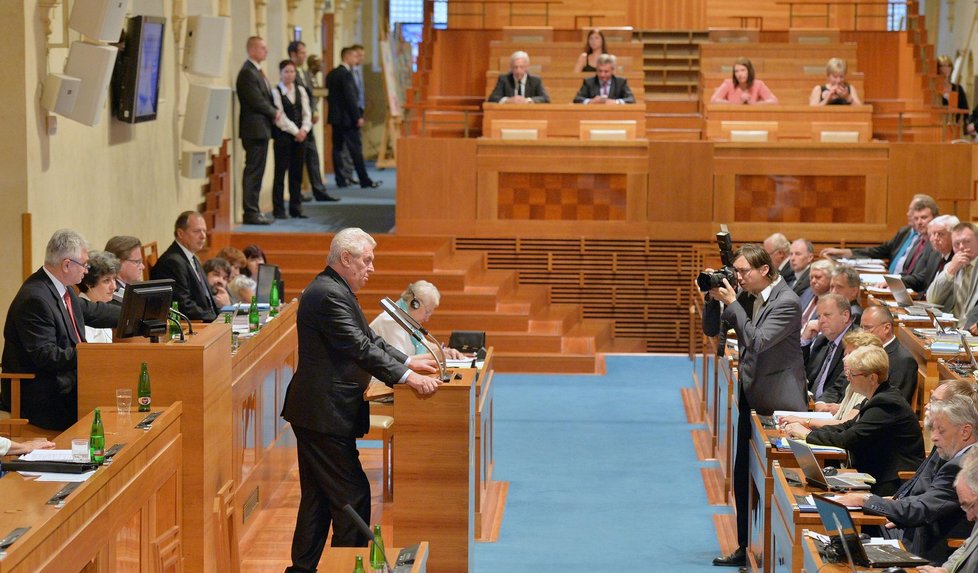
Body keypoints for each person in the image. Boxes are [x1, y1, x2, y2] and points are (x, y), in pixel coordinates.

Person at [281, 228, 441, 572]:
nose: (371, 268)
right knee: (353, 497)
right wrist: (408, 377)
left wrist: (408, 361)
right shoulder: (328, 294)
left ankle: (301, 569)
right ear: (345, 259)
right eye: (366, 261)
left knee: (319, 500)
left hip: (321, 411)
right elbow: (360, 347)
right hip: (323, 411)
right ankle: (349, 567)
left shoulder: (335, 290)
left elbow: (367, 338)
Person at [703, 243, 807, 567]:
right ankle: (745, 545)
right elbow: (712, 331)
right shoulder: (754, 293)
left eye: (743, 271)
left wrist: (733, 302)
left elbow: (758, 341)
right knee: (743, 475)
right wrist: (713, 300)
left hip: (777, 402)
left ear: (764, 270)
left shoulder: (786, 301)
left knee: (774, 484)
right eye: (736, 271)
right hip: (753, 396)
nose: (739, 277)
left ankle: (778, 555)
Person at [834, 391, 977, 564]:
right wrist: (886, 503)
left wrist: (867, 500)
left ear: (965, 431)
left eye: (941, 430)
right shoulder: (956, 455)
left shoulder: (963, 465)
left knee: (846, 542)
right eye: (933, 429)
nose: (933, 437)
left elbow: (923, 508)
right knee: (847, 537)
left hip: (924, 547)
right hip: (912, 530)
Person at [1, 229, 120, 430]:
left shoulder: (61, 288)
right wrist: (92, 355)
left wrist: (136, 314)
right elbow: (47, 356)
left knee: (115, 387)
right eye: (85, 265)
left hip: (65, 382)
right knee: (108, 400)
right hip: (42, 393)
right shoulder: (35, 299)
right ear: (67, 265)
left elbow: (93, 311)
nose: (86, 271)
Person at [785, 345, 924, 496]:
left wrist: (806, 434)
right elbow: (847, 427)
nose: (848, 377)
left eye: (852, 373)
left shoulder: (886, 404)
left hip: (892, 484)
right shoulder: (877, 397)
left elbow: (848, 438)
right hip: (875, 474)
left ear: (872, 378)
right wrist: (808, 430)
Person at [780, 329, 882, 430]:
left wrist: (805, 422)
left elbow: (845, 424)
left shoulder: (868, 390)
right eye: (845, 354)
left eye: (850, 354)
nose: (844, 359)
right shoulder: (852, 384)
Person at [822, 194, 939, 274]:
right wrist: (845, 252)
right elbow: (880, 250)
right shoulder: (905, 232)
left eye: (913, 211)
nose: (909, 214)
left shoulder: (931, 240)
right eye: (913, 212)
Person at [287, 41, 339, 203]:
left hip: (308, 122)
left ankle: (319, 190)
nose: (304, 55)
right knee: (297, 160)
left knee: (313, 156)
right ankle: (297, 193)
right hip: (296, 124)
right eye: (302, 52)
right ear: (293, 54)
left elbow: (310, 94)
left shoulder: (305, 73)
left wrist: (314, 111)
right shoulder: (289, 72)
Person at [235, 36, 279, 225]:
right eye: (262, 47)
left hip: (261, 129)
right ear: (252, 50)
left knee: (258, 171)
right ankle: (250, 212)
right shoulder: (247, 72)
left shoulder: (257, 71)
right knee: (253, 170)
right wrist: (274, 112)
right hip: (254, 129)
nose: (266, 51)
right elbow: (256, 100)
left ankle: (254, 209)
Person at [327, 47, 381, 190]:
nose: (355, 59)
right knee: (356, 149)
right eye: (353, 56)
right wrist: (357, 117)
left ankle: (340, 179)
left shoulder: (331, 74)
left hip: (335, 117)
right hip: (348, 119)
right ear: (346, 57)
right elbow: (351, 98)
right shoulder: (346, 75)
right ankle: (364, 179)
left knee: (337, 148)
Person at [150, 211, 219, 322]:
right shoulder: (172, 262)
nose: (203, 236)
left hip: (206, 320)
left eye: (204, 231)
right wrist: (215, 320)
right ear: (180, 233)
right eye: (197, 231)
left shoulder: (191, 256)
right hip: (194, 325)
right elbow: (183, 305)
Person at [369, 281, 464, 359]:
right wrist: (434, 356)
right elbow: (400, 361)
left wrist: (444, 351)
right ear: (415, 304)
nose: (427, 319)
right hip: (378, 382)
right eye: (427, 312)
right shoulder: (391, 321)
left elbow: (424, 345)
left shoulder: (407, 319)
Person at [271, 59, 312, 220]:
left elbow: (307, 113)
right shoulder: (276, 92)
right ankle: (279, 209)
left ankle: (296, 207)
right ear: (280, 74)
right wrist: (296, 131)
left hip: (301, 137)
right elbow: (279, 117)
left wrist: (304, 129)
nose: (289, 75)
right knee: (280, 172)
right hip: (284, 137)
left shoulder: (300, 90)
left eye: (292, 72)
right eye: (286, 72)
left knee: (297, 173)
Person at [802, 294, 854, 407]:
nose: (821, 321)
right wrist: (805, 340)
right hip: (809, 403)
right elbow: (801, 371)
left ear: (845, 316)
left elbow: (840, 386)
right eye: (819, 316)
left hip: (828, 408)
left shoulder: (854, 344)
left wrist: (819, 405)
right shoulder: (822, 340)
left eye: (827, 315)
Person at [859, 306, 918, 403]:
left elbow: (894, 401)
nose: (862, 333)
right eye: (861, 327)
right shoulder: (865, 349)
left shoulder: (903, 361)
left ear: (886, 328)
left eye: (867, 328)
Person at [927, 222, 978, 325]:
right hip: (951, 329)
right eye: (956, 244)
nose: (962, 247)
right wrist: (950, 270)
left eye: (967, 241)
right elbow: (932, 299)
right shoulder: (953, 265)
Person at [905, 214, 958, 293]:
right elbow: (924, 278)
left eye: (940, 234)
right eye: (933, 234)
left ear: (953, 236)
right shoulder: (935, 254)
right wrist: (898, 281)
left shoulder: (957, 260)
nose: (935, 238)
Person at [77, 250, 121, 343]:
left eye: (114, 279)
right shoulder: (84, 318)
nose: (114, 287)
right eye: (106, 281)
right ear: (89, 284)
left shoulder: (103, 307)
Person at [710, 57, 778, 105]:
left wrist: (753, 104)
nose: (739, 74)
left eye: (743, 70)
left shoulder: (758, 84)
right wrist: (735, 104)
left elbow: (774, 101)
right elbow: (714, 100)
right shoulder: (728, 83)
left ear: (749, 71)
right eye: (736, 71)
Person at [103, 235, 144, 302]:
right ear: (118, 263)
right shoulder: (111, 294)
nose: (142, 267)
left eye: (141, 261)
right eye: (137, 262)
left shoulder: (134, 286)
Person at [799, 259, 835, 328]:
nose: (813, 281)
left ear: (831, 279)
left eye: (818, 277)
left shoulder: (833, 302)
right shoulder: (808, 292)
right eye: (811, 277)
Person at [938, 55, 970, 120]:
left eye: (948, 65)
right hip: (940, 124)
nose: (946, 68)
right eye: (943, 65)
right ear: (938, 68)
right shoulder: (934, 89)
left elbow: (965, 110)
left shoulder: (958, 88)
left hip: (956, 125)